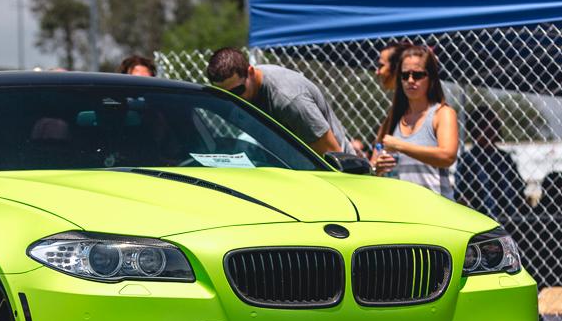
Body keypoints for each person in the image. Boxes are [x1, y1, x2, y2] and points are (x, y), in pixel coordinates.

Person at [205, 47, 354, 155]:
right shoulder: (244, 92)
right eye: (224, 95)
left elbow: (332, 154)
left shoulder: (289, 99)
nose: (233, 100)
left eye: (237, 91)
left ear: (250, 72)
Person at [371, 45, 459, 198]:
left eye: (418, 75)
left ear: (431, 78)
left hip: (435, 207)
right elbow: (373, 165)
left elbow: (447, 156)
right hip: (398, 206)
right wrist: (377, 169)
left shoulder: (442, 113)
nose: (410, 80)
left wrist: (400, 146)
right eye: (405, 75)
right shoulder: (392, 119)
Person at [455, 105, 526, 219]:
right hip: (483, 219)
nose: (492, 129)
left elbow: (518, 189)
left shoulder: (504, 158)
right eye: (485, 126)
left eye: (494, 125)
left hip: (509, 217)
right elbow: (462, 195)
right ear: (476, 130)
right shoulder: (468, 160)